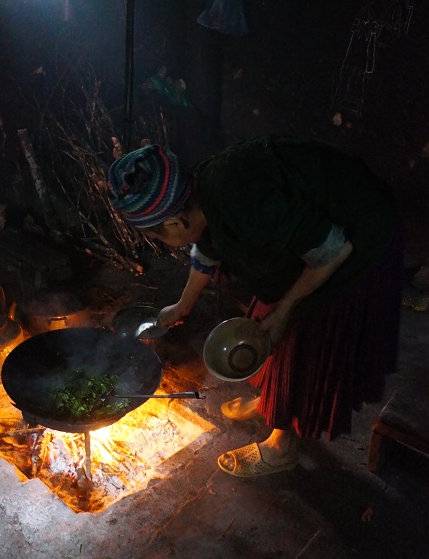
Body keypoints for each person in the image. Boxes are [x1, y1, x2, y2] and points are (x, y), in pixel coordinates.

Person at [108, 135, 402, 478]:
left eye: (158, 236)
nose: (162, 242)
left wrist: (286, 309)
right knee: (268, 321)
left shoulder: (247, 205)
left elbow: (332, 252)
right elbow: (206, 247)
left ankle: (282, 446)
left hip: (357, 233)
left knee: (301, 332)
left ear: (174, 223)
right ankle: (272, 401)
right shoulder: (198, 193)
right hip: (308, 239)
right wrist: (181, 305)